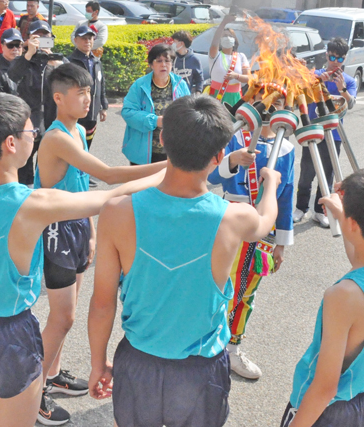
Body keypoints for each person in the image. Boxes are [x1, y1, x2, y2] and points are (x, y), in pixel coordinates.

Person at [0, 92, 163, 427]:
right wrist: (177, 167)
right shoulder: (33, 204)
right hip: (8, 334)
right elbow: (111, 196)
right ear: (11, 142)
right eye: (29, 133)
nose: (34, 138)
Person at [87, 95, 282, 427]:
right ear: (220, 155)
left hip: (138, 361)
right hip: (201, 369)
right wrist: (272, 185)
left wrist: (97, 363)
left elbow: (102, 303)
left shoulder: (117, 212)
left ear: (162, 140)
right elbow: (265, 221)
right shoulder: (234, 218)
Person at [34, 64, 166, 423]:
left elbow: (81, 189)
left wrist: (90, 231)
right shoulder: (57, 137)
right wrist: (170, 166)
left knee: (67, 316)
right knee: (62, 318)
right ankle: (34, 394)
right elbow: (106, 176)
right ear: (58, 97)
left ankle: (53, 375)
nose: (88, 97)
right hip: (56, 231)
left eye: (90, 91)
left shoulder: (77, 131)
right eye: (80, 92)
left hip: (77, 226)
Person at [282, 168, 364, 427]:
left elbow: (325, 387)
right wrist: (344, 215)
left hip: (327, 412)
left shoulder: (343, 296)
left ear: (353, 225)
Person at [207, 89, 295, 380]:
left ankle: (232, 348)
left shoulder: (287, 149)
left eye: (280, 103)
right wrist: (232, 159)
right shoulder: (236, 136)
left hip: (262, 231)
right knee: (216, 286)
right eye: (269, 101)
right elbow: (211, 177)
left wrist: (281, 242)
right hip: (229, 222)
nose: (273, 107)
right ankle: (206, 345)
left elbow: (286, 196)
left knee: (246, 291)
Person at [295, 37, 357, 227]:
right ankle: (300, 208)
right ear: (326, 54)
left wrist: (342, 90)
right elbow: (301, 97)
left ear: (345, 59)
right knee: (307, 172)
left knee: (328, 174)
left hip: (335, 134)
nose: (335, 62)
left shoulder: (349, 80)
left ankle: (320, 211)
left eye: (340, 59)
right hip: (313, 130)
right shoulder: (316, 74)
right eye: (332, 57)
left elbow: (351, 103)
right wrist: (315, 82)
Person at [9, 20, 66, 185]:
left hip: (51, 120)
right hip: (28, 121)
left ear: (51, 38)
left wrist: (56, 65)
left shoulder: (57, 61)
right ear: (29, 39)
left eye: (45, 36)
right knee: (23, 164)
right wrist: (28, 54)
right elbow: (12, 75)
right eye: (37, 36)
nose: (41, 40)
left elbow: (74, 80)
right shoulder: (24, 61)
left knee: (48, 165)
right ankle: (23, 198)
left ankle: (43, 198)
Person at [122, 43, 190, 165]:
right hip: (143, 154)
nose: (164, 64)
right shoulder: (139, 85)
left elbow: (189, 113)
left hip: (172, 153)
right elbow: (128, 113)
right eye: (159, 61)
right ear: (151, 64)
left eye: (167, 61)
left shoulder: (181, 84)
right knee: (142, 184)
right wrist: (155, 121)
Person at [67, 25, 107, 151]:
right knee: (74, 147)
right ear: (76, 40)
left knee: (86, 148)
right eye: (84, 38)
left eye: (90, 38)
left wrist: (103, 106)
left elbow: (101, 84)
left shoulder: (96, 61)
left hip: (92, 112)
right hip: (76, 112)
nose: (87, 41)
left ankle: (82, 169)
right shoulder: (70, 62)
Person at [207, 12, 250, 106]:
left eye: (230, 36)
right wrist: (223, 23)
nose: (227, 38)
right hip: (216, 95)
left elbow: (248, 78)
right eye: (224, 36)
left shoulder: (241, 57)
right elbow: (214, 43)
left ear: (234, 40)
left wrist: (236, 76)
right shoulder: (215, 55)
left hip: (235, 97)